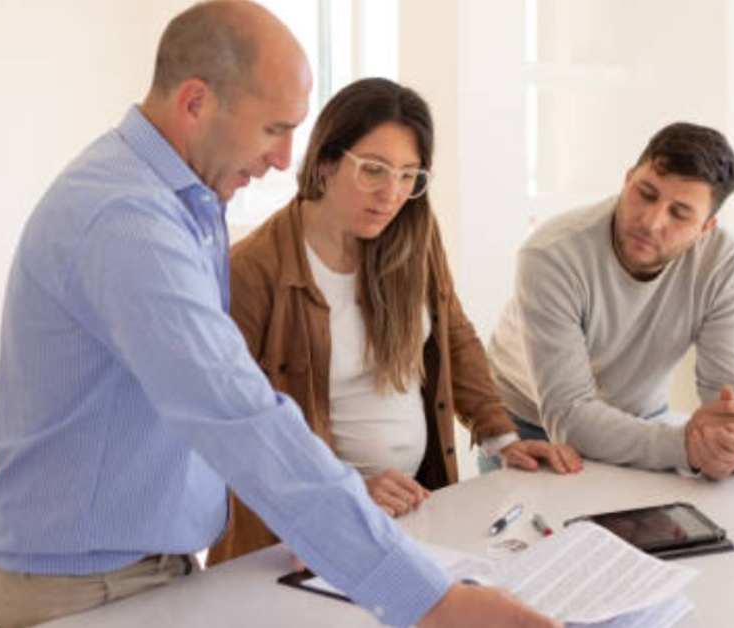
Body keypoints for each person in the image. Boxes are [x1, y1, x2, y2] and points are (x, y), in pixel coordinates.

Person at [0, 2, 560, 627]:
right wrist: (430, 600)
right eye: (273, 129)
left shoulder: (185, 204)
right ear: (196, 102)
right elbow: (243, 417)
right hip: (87, 588)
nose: (285, 159)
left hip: (148, 568)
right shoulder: (129, 222)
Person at [205, 77, 581, 564]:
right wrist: (347, 488)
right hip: (305, 530)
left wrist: (503, 438)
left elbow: (454, 335)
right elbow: (235, 426)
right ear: (325, 163)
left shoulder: (413, 237)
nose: (391, 194)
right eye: (373, 170)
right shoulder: (253, 270)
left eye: (409, 176)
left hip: (416, 507)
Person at [486, 122, 734, 480]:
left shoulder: (725, 264)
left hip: (641, 417)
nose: (651, 221)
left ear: (705, 227)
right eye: (645, 193)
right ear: (627, 178)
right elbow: (569, 414)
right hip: (532, 425)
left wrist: (730, 449)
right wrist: (686, 447)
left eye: (679, 213)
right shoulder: (551, 253)